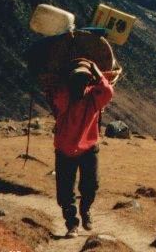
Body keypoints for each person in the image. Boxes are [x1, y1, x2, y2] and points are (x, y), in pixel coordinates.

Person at [49, 58, 114, 238]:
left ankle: (85, 211)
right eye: (76, 80)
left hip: (88, 148)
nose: (79, 84)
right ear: (70, 81)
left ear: (88, 81)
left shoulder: (94, 97)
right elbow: (55, 91)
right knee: (65, 191)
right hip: (64, 149)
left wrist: (96, 70)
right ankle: (72, 224)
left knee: (91, 185)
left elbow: (108, 91)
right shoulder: (64, 98)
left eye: (83, 80)